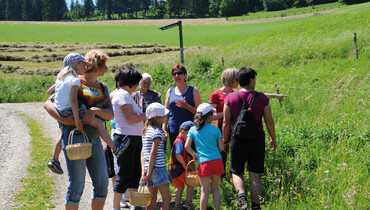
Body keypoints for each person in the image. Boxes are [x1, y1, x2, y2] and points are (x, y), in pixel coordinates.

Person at [43, 50, 115, 209]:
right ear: (93, 64)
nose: (106, 68)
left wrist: (95, 110)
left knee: (102, 185)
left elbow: (110, 114)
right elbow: (48, 103)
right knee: (77, 186)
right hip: (74, 138)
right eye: (103, 64)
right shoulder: (73, 80)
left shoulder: (103, 87)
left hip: (95, 139)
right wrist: (63, 119)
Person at [210, 68, 287, 176]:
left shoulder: (236, 93)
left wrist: (275, 96)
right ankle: (220, 178)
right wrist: (228, 112)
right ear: (232, 80)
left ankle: (234, 183)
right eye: (237, 79)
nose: (240, 81)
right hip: (224, 129)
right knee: (222, 155)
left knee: (236, 161)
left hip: (238, 130)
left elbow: (254, 95)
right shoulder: (216, 94)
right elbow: (212, 116)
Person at [223, 67, 277, 210]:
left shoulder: (230, 97)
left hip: (237, 138)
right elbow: (269, 121)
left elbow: (226, 122)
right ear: (251, 79)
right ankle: (256, 206)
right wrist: (273, 138)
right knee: (254, 174)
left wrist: (225, 141)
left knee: (237, 171)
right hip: (257, 139)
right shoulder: (262, 98)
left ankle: (242, 199)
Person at [111, 68, 146, 210]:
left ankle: (135, 205)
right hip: (126, 138)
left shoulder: (126, 95)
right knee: (125, 174)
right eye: (137, 82)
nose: (138, 85)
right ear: (131, 82)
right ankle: (115, 207)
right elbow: (131, 118)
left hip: (134, 138)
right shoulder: (123, 95)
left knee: (135, 173)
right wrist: (148, 114)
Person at [185, 103, 225, 210]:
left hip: (203, 162)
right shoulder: (216, 129)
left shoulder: (193, 130)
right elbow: (221, 148)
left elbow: (187, 146)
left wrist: (194, 154)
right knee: (215, 188)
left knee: (204, 190)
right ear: (209, 116)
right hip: (217, 161)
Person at [163, 64, 201, 150]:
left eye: (179, 73)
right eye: (174, 74)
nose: (177, 75)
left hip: (189, 130)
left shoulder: (193, 90)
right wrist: (164, 128)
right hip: (174, 129)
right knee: (176, 156)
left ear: (185, 75)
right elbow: (166, 112)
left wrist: (187, 107)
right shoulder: (170, 91)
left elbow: (199, 112)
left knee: (190, 156)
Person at [141, 102, 171, 210]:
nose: (165, 117)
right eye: (163, 115)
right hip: (158, 168)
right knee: (167, 198)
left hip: (149, 168)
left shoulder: (145, 131)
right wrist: (148, 172)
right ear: (157, 118)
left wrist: (144, 171)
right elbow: (153, 153)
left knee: (151, 198)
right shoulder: (157, 132)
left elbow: (143, 153)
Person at [168, 121, 195, 210]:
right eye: (189, 134)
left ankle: (177, 206)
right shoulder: (180, 142)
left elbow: (184, 155)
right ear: (182, 131)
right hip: (180, 169)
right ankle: (189, 203)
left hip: (173, 171)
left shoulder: (178, 140)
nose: (190, 137)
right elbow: (178, 154)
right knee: (190, 184)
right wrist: (184, 165)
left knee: (180, 188)